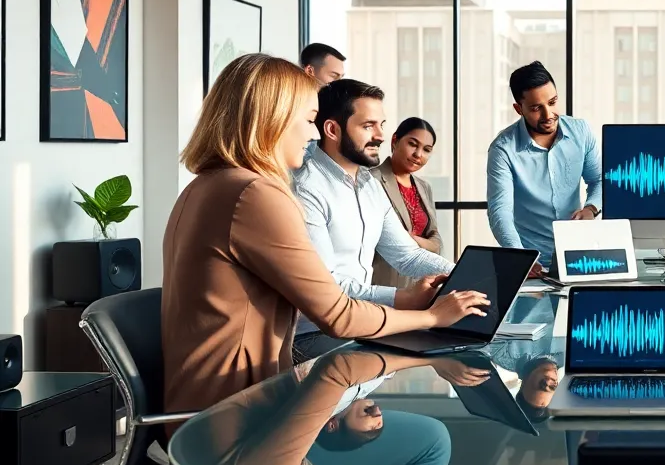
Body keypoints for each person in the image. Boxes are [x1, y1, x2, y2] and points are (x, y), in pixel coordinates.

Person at [162, 54, 489, 418]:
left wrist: (460, 280)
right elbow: (336, 312)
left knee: (429, 415)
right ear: (272, 120)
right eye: (307, 120)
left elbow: (404, 255)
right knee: (437, 431)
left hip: (218, 403)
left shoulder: (208, 185)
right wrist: (429, 315)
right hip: (239, 417)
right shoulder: (258, 193)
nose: (312, 133)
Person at [291, 80, 460, 362]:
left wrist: (463, 275)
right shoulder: (306, 188)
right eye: (368, 126)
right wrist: (400, 298)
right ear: (333, 129)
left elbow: (406, 255)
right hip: (315, 336)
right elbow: (328, 287)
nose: (381, 136)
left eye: (381, 124)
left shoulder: (369, 185)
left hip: (363, 326)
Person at [487, 62, 602, 271]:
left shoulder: (581, 132)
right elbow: (499, 211)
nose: (548, 114)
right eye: (536, 108)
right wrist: (520, 257)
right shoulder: (502, 149)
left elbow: (599, 180)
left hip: (577, 255)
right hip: (531, 260)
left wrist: (591, 208)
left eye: (552, 102)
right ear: (518, 109)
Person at [371, 118, 444, 290]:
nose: (418, 154)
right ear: (395, 141)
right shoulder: (370, 180)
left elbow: (437, 241)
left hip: (421, 285)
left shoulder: (424, 187)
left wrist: (411, 239)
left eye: (426, 150)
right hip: (382, 282)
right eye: (413, 144)